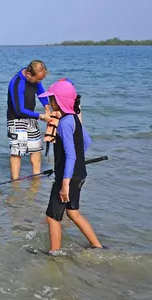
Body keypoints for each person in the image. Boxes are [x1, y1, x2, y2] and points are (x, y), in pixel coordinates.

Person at [37, 79, 104, 254]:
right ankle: (97, 246)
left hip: (67, 178)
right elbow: (86, 142)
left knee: (52, 217)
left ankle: (55, 253)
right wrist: (71, 165)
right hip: (80, 174)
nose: (50, 102)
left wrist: (65, 181)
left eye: (52, 99)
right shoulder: (74, 118)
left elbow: (71, 154)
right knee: (73, 213)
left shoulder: (64, 124)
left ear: (59, 101)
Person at [7, 60, 53, 180]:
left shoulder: (35, 78)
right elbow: (19, 110)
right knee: (17, 152)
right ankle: (15, 182)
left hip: (31, 118)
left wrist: (47, 108)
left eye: (40, 80)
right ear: (29, 74)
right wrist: (42, 116)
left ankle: (36, 179)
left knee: (36, 149)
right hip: (16, 119)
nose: (38, 83)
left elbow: (41, 93)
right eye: (37, 80)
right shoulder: (17, 83)